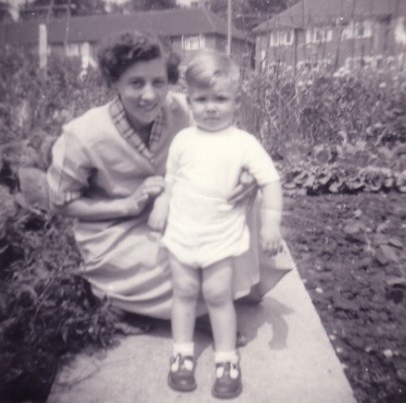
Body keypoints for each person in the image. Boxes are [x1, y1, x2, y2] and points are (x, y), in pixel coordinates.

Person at [47, 30, 289, 336]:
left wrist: (247, 176)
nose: (149, 95)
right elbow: (60, 204)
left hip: (174, 215)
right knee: (181, 258)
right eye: (136, 83)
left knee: (238, 205)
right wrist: (126, 204)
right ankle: (183, 309)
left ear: (169, 81)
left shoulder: (183, 109)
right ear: (114, 83)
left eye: (158, 82)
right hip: (115, 233)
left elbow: (228, 144)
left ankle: (204, 303)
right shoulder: (82, 135)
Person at [148, 50, 283, 399]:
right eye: (202, 99)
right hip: (182, 234)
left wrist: (270, 224)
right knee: (184, 293)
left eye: (220, 99)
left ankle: (226, 358)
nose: (211, 107)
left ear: (236, 102)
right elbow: (172, 179)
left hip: (221, 237)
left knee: (218, 294)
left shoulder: (244, 144)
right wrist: (162, 203)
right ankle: (182, 352)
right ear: (189, 101)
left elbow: (270, 181)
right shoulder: (184, 141)